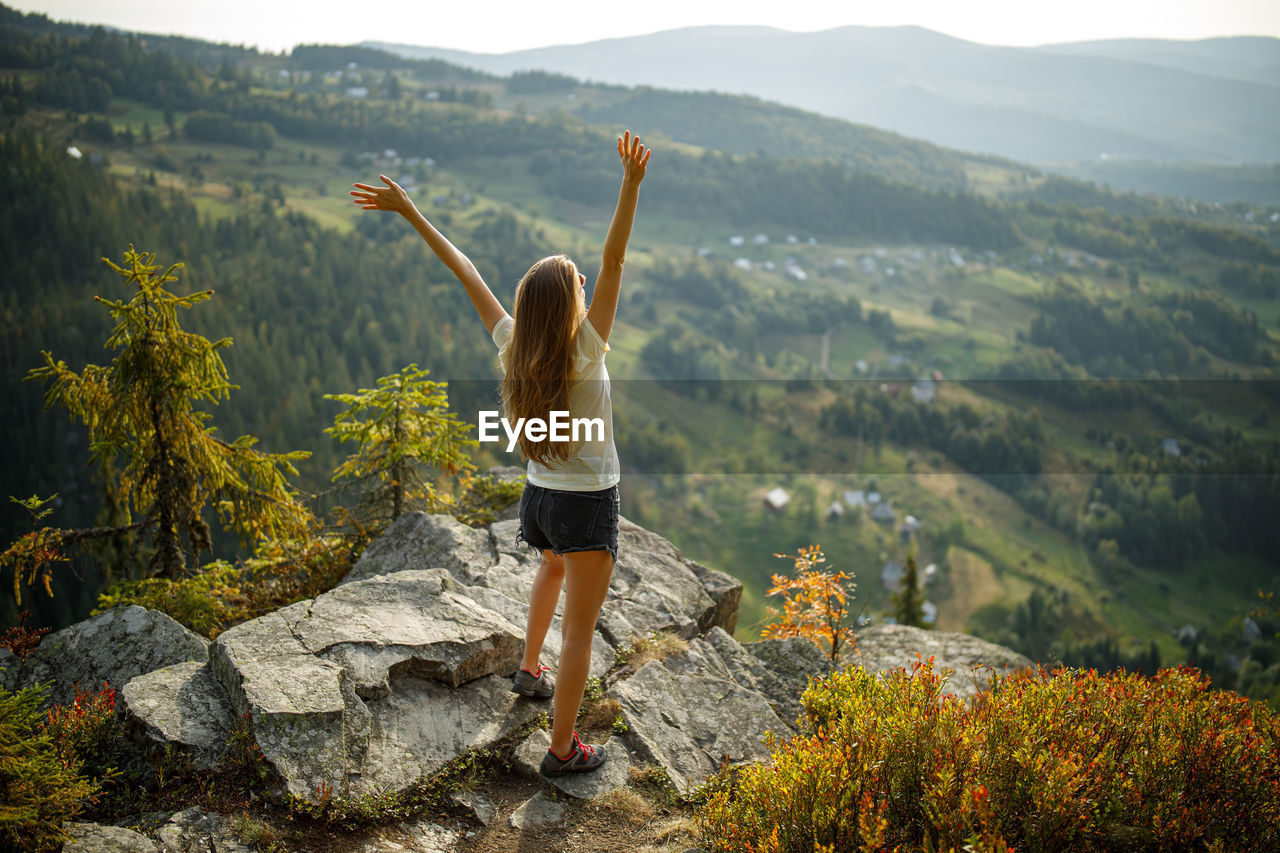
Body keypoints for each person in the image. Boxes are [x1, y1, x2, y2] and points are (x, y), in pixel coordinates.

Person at [350, 131, 651, 777]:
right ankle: (563, 747)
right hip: (586, 502)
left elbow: (467, 269)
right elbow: (618, 259)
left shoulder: (515, 343)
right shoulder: (587, 347)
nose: (589, 280)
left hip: (539, 498)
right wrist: (629, 185)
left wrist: (410, 212)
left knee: (550, 571)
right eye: (579, 282)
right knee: (582, 632)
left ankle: (527, 667)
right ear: (572, 303)